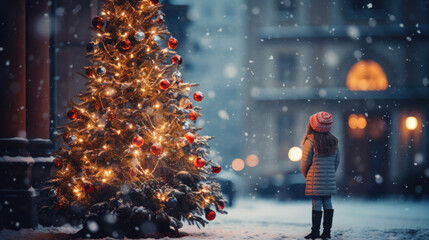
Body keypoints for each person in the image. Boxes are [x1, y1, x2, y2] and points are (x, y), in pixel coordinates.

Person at [301, 112, 340, 239]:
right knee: (328, 202)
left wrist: (307, 174)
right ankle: (327, 232)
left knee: (316, 202)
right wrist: (329, 173)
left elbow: (305, 162)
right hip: (329, 178)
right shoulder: (334, 141)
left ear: (313, 125)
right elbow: (337, 161)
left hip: (315, 178)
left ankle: (315, 231)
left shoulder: (310, 141)